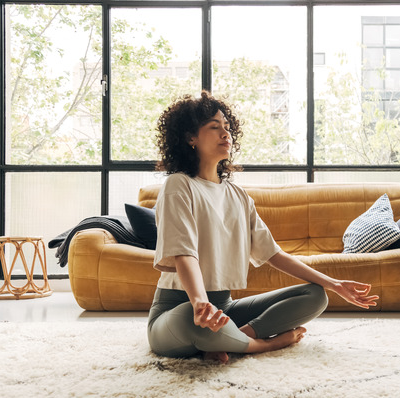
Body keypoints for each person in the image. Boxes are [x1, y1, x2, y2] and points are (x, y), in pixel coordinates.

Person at [147, 91, 378, 364]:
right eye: (214, 127)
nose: (226, 134)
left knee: (315, 295)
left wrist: (334, 283)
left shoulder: (238, 196)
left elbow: (273, 254)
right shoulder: (179, 185)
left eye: (227, 127)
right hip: (178, 309)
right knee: (191, 320)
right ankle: (262, 345)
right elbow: (184, 253)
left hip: (224, 308)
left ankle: (234, 337)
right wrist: (199, 302)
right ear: (190, 137)